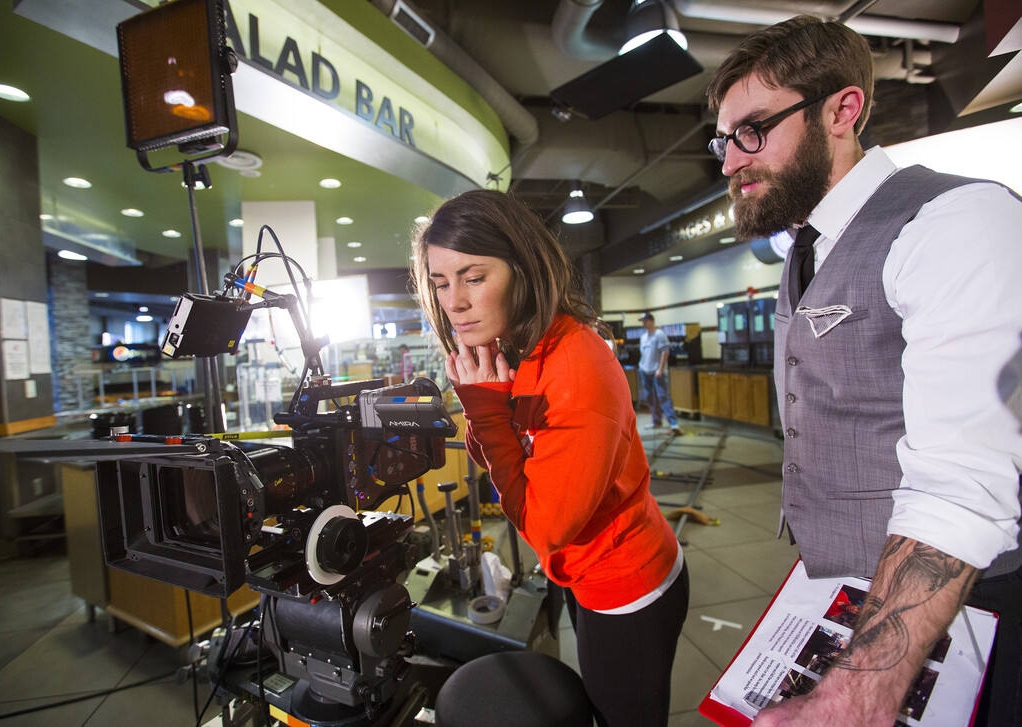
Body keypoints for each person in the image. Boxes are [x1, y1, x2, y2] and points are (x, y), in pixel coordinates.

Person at [705, 15, 1022, 726]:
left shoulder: (956, 220)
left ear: (842, 111)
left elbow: (964, 483)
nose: (730, 162)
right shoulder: (806, 244)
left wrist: (858, 689)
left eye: (753, 130)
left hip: (972, 609)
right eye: (724, 140)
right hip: (852, 592)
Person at [411, 189, 688, 727]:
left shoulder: (575, 362)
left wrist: (487, 413)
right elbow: (504, 461)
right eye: (442, 283)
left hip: (627, 587)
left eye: (474, 276)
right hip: (584, 576)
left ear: (523, 268)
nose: (455, 301)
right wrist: (484, 409)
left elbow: (546, 526)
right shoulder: (520, 347)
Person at [637, 312, 682, 434]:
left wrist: (660, 369)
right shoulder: (644, 337)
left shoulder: (659, 334)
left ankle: (674, 423)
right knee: (650, 397)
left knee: (663, 396)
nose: (644, 323)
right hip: (645, 371)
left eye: (645, 320)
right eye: (642, 321)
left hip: (657, 372)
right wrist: (641, 366)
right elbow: (644, 354)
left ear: (652, 321)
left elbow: (665, 352)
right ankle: (656, 421)